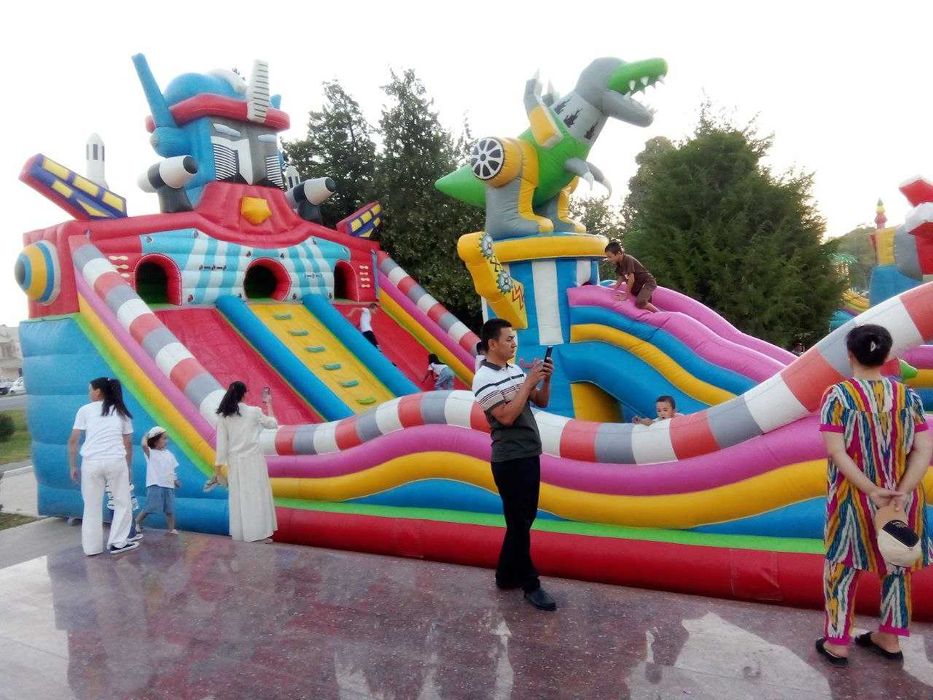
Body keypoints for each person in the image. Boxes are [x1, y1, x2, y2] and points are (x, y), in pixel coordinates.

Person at [815, 324, 932, 666]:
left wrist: (871, 489)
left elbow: (837, 452)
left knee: (841, 566)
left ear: (850, 355)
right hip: (901, 499)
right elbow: (924, 448)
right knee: (897, 563)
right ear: (886, 356)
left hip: (853, 498)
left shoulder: (838, 396)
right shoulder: (908, 396)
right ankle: (890, 638)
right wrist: (902, 490)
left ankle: (837, 642)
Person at [473, 318, 556, 611]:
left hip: (529, 452)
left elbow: (540, 401)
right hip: (509, 458)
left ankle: (505, 574)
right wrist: (528, 382)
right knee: (519, 524)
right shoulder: (483, 378)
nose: (513, 343)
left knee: (522, 521)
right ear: (492, 343)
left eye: (514, 339)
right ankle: (530, 584)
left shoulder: (514, 370)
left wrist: (545, 379)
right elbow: (506, 417)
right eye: (508, 339)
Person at [67, 377, 139, 555]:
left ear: (98, 391)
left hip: (91, 463)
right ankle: (118, 543)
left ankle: (91, 548)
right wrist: (128, 466)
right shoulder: (121, 411)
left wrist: (73, 466)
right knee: (122, 502)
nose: (89, 393)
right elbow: (128, 443)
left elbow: (73, 440)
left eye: (90, 389)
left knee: (91, 505)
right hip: (116, 461)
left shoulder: (84, 410)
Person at [213, 381, 278, 543]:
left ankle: (242, 534)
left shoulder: (224, 416)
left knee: (239, 498)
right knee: (256, 496)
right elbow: (273, 424)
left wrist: (218, 469)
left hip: (235, 463)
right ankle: (258, 534)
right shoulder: (254, 412)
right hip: (254, 460)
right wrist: (268, 403)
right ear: (244, 394)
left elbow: (222, 445)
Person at [135, 426, 180, 534]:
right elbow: (144, 445)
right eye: (164, 438)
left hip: (168, 485)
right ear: (155, 441)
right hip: (155, 483)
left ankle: (171, 529)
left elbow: (172, 469)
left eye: (167, 438)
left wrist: (175, 480)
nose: (166, 441)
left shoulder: (169, 454)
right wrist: (146, 435)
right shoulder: (151, 452)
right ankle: (137, 522)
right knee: (151, 506)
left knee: (170, 509)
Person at [604, 238, 659, 313]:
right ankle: (650, 314)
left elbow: (631, 279)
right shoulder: (619, 263)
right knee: (642, 303)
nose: (608, 259)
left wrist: (626, 295)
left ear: (619, 253)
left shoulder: (628, 259)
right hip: (638, 286)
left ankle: (660, 314)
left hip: (647, 283)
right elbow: (621, 277)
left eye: (610, 257)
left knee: (640, 302)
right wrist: (614, 288)